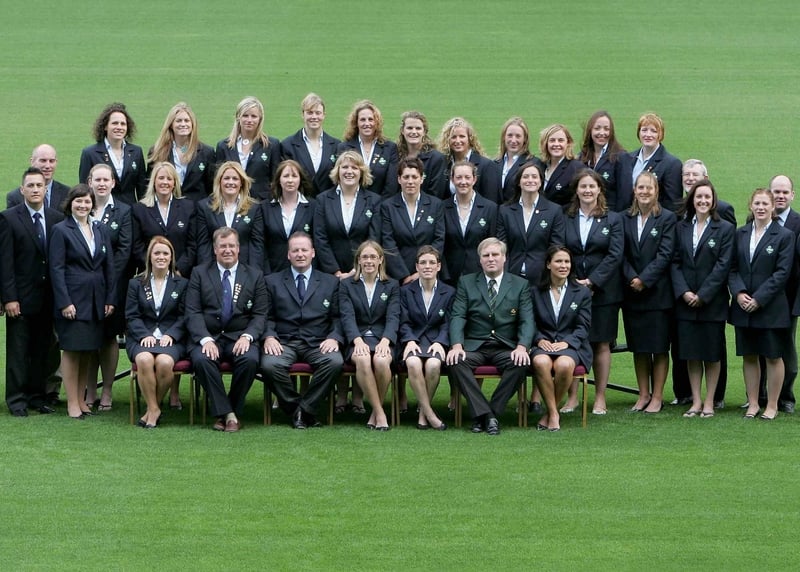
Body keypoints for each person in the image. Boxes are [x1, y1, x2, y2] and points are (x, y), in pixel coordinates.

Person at [445, 237, 535, 435]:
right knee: (455, 362)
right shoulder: (466, 282)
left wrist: (522, 346)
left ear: (504, 258)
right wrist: (457, 345)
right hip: (475, 345)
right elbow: (458, 315)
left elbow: (527, 320)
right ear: (480, 260)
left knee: (521, 363)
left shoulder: (520, 284)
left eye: (495, 254)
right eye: (486, 255)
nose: (491, 259)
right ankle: (489, 417)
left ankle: (485, 414)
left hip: (505, 346)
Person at [185, 227, 267, 432]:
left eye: (231, 246)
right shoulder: (199, 273)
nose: (227, 250)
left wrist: (248, 337)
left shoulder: (255, 275)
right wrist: (205, 339)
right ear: (215, 249)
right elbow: (192, 312)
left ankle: (226, 411)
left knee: (249, 359)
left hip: (239, 336)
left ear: (239, 248)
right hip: (208, 336)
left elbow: (260, 314)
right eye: (223, 246)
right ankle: (230, 415)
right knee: (203, 360)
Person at [260, 232, 344, 429]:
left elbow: (339, 317)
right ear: (288, 254)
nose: (300, 254)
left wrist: (334, 337)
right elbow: (265, 315)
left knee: (335, 362)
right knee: (270, 365)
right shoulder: (272, 281)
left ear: (313, 253)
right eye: (295, 250)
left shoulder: (330, 282)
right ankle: (301, 409)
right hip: (284, 342)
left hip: (318, 342)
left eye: (304, 250)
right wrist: (269, 336)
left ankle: (303, 410)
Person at [671, 159, 735, 408]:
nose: (702, 201)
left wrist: (703, 294)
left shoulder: (725, 228)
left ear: (713, 199)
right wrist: (685, 292)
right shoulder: (681, 226)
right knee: (690, 354)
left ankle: (710, 401)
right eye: (698, 197)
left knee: (712, 353)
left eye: (707, 197)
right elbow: (675, 262)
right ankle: (696, 401)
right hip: (686, 302)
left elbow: (723, 265)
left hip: (712, 302)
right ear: (692, 199)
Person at [0, 167, 64, 416]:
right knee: (18, 352)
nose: (36, 189)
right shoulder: (9, 218)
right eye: (31, 186)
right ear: (22, 190)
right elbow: (5, 263)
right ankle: (16, 400)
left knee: (42, 351)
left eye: (40, 185)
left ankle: (37, 397)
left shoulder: (55, 217)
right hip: (21, 298)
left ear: (45, 189)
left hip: (48, 298)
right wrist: (9, 298)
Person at [49, 185, 116, 419]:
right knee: (72, 350)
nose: (83, 205)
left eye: (87, 202)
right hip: (73, 301)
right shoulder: (61, 230)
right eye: (78, 201)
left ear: (92, 204)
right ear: (71, 203)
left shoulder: (99, 229)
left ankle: (82, 400)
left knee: (88, 350)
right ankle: (72, 404)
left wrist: (109, 298)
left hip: (96, 300)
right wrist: (65, 302)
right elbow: (56, 269)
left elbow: (109, 266)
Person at [562, 169, 624, 415]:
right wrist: (573, 280)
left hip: (604, 291)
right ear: (576, 190)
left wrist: (593, 281)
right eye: (583, 186)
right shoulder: (565, 216)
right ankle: (573, 397)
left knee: (601, 343)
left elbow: (615, 254)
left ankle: (599, 397)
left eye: (592, 186)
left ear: (600, 189)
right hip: (572, 290)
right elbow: (559, 248)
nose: (587, 190)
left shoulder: (613, 219)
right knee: (575, 342)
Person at [729, 188, 794, 420]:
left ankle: (773, 405)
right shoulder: (741, 233)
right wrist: (738, 294)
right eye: (757, 203)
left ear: (772, 207)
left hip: (770, 308)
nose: (761, 207)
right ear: (750, 205)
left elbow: (781, 273)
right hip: (743, 306)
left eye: (765, 203)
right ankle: (754, 403)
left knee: (773, 356)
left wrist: (759, 298)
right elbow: (733, 268)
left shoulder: (784, 236)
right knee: (749, 355)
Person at [621, 172, 677, 414]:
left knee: (658, 346)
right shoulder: (624, 217)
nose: (644, 192)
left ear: (657, 191)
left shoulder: (666, 218)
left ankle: (657, 396)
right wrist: (632, 277)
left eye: (649, 188)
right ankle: (643, 394)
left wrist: (644, 279)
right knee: (640, 346)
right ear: (634, 190)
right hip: (631, 292)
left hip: (658, 293)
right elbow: (619, 253)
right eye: (640, 188)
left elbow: (665, 254)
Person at [125, 236, 188, 428]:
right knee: (144, 360)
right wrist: (144, 335)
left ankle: (151, 409)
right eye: (157, 253)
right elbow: (131, 315)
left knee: (164, 362)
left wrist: (171, 334)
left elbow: (186, 316)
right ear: (149, 256)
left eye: (165, 253)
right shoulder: (136, 283)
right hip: (141, 337)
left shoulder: (182, 283)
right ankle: (154, 409)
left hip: (172, 339)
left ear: (171, 257)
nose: (161, 257)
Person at [84, 164, 133, 412]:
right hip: (86, 287)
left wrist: (107, 277)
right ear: (90, 181)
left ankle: (107, 391)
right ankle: (90, 390)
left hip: (114, 286)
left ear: (113, 182)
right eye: (97, 179)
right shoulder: (82, 207)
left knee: (108, 337)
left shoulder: (123, 211)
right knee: (90, 337)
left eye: (106, 179)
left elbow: (125, 249)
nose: (101, 184)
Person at [338, 241, 400, 431]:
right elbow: (346, 316)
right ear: (358, 260)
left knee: (382, 361)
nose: (369, 261)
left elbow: (393, 316)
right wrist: (357, 340)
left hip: (383, 338)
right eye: (364, 257)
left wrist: (386, 340)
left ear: (381, 259)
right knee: (363, 359)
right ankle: (380, 413)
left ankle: (375, 411)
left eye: (373, 257)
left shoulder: (392, 285)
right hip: (357, 338)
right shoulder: (347, 285)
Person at [530, 246, 593, 431]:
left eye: (567, 261)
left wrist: (567, 342)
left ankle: (550, 413)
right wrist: (539, 339)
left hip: (571, 344)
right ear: (548, 264)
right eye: (558, 261)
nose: (563, 265)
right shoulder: (535, 292)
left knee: (564, 365)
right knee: (541, 362)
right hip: (543, 344)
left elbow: (583, 327)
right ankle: (554, 413)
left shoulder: (581, 292)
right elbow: (529, 322)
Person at [399, 246, 455, 430]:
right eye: (423, 262)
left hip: (436, 342)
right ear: (416, 266)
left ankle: (423, 412)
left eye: (432, 262)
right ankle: (429, 414)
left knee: (433, 365)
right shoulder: (406, 291)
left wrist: (440, 341)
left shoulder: (449, 292)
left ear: (439, 266)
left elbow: (449, 322)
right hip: (412, 341)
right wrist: (409, 340)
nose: (427, 266)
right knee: (413, 363)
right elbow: (403, 321)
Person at [313, 151, 382, 279]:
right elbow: (320, 238)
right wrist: (335, 271)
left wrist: (357, 268)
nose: (349, 171)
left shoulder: (374, 201)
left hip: (363, 271)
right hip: (330, 274)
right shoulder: (323, 200)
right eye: (344, 167)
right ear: (337, 171)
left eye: (354, 168)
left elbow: (374, 238)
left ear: (361, 172)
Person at [764, 175, 800, 413]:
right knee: (760, 346)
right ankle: (757, 396)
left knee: (785, 346)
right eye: (776, 192)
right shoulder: (760, 217)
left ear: (792, 195)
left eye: (785, 192)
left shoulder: (799, 222)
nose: (780, 196)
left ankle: (785, 396)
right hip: (761, 295)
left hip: (787, 296)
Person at [496, 161, 565, 284]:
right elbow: (502, 247)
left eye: (534, 177)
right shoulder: (505, 211)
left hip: (542, 278)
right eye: (525, 177)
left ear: (540, 182)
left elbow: (556, 247)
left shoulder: (554, 211)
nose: (530, 180)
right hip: (512, 277)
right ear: (518, 182)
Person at [381, 157, 445, 284]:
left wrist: (422, 271)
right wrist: (404, 276)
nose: (410, 181)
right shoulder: (388, 206)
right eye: (406, 177)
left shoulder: (435, 205)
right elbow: (388, 242)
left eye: (414, 177)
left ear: (421, 179)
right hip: (398, 276)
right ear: (399, 179)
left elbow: (439, 239)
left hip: (429, 274)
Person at [195, 160, 264, 269]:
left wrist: (253, 274)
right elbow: (203, 244)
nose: (230, 182)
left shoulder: (254, 208)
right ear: (219, 181)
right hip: (214, 269)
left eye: (235, 179)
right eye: (226, 178)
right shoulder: (205, 207)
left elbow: (257, 245)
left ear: (241, 182)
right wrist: (206, 273)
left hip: (244, 270)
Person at [131, 162, 196, 277]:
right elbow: (137, 246)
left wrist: (179, 270)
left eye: (169, 179)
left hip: (180, 276)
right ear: (154, 182)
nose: (165, 182)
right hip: (149, 275)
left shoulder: (188, 207)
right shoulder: (139, 209)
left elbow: (192, 245)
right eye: (161, 178)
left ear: (174, 183)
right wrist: (153, 269)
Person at [441, 161, 498, 285]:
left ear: (474, 179)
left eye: (467, 177)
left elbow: (493, 243)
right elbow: (440, 243)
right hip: (450, 277)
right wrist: (444, 275)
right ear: (452, 179)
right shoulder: (442, 207)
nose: (463, 182)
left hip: (480, 275)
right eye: (458, 177)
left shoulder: (490, 208)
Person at [78, 102, 147, 205]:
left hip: (130, 213)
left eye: (123, 124)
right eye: (114, 123)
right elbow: (85, 188)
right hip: (101, 211)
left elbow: (142, 189)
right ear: (105, 126)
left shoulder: (136, 152)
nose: (119, 127)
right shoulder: (90, 153)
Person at [215, 96, 281, 201]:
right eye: (245, 116)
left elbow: (276, 180)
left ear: (260, 119)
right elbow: (218, 180)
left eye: (254, 116)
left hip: (261, 205)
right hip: (231, 204)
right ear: (238, 117)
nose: (249, 120)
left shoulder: (272, 145)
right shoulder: (223, 146)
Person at [147, 102, 215, 203]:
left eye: (187, 120)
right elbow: (149, 184)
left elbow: (212, 188)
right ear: (171, 125)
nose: (183, 124)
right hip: (168, 209)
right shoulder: (157, 151)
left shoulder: (206, 152)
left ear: (192, 124)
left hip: (197, 211)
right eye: (178, 121)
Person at [280, 93, 341, 196]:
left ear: (323, 115)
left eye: (318, 113)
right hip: (300, 204)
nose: (314, 117)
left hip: (327, 205)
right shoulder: (288, 145)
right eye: (310, 113)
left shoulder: (336, 145)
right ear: (303, 114)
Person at [262, 159, 316, 273]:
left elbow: (317, 241)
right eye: (286, 176)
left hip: (304, 271)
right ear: (279, 180)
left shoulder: (313, 206)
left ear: (300, 179)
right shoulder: (265, 207)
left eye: (294, 176)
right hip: (273, 271)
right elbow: (262, 243)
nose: (290, 180)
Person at [338, 99, 399, 196]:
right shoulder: (344, 147)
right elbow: (340, 181)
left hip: (381, 207)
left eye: (371, 119)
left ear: (377, 122)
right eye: (362, 120)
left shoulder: (389, 148)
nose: (367, 124)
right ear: (356, 123)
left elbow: (391, 185)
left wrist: (378, 207)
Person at [578, 111, 633, 212]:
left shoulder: (621, 157)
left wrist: (616, 219)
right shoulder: (581, 156)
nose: (602, 133)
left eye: (606, 129)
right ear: (590, 130)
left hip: (609, 217)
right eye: (597, 128)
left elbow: (625, 195)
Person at [438, 117, 500, 203]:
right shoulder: (443, 164)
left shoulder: (486, 165)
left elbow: (491, 201)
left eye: (462, 136)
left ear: (470, 139)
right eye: (453, 137)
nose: (458, 141)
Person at [629, 113, 682, 210]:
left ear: (660, 135)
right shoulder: (628, 158)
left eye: (653, 131)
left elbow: (673, 204)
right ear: (639, 133)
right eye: (644, 130)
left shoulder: (672, 164)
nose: (648, 135)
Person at [396, 110, 447, 198]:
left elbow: (436, 193)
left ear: (424, 132)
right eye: (409, 128)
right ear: (402, 131)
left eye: (418, 128)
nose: (414, 132)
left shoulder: (437, 159)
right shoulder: (395, 155)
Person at [7, 144, 70, 209]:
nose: (48, 166)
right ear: (32, 162)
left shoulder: (67, 194)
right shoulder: (15, 197)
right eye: (43, 161)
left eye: (51, 161)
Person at [539, 124, 583, 206]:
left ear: (568, 143)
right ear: (546, 143)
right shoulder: (539, 165)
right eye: (552, 140)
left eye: (560, 140)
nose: (556, 144)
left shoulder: (576, 168)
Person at [495, 117, 536, 204]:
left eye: (518, 136)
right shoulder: (494, 164)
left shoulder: (533, 164)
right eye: (510, 135)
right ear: (504, 137)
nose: (513, 140)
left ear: (525, 139)